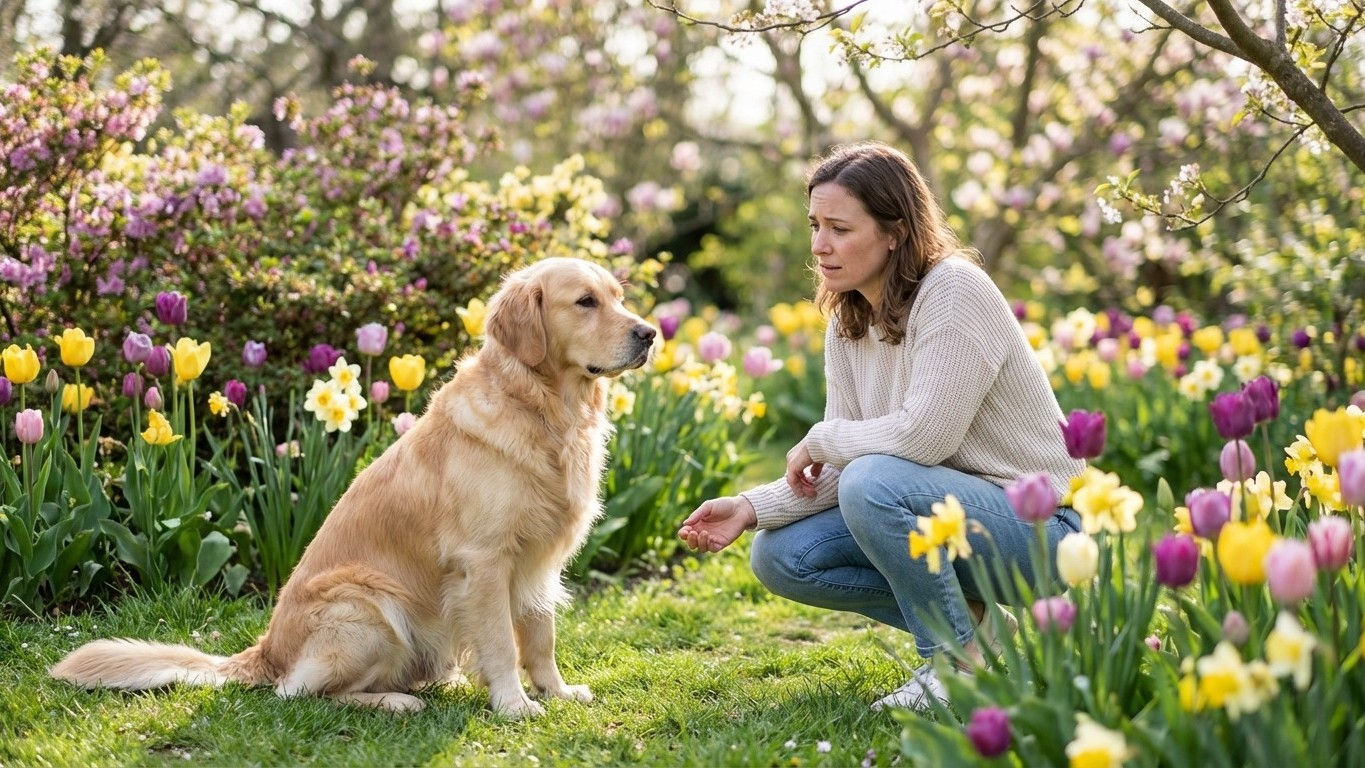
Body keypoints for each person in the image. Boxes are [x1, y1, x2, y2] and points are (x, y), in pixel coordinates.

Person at [677, 141, 1085, 712]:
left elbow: (923, 439)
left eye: (840, 228)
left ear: (895, 230)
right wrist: (752, 506)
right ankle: (981, 637)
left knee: (872, 483)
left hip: (1041, 527)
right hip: (938, 510)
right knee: (780, 556)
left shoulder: (954, 291)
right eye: (815, 225)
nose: (820, 246)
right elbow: (849, 460)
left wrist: (822, 439)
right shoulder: (848, 319)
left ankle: (954, 664)